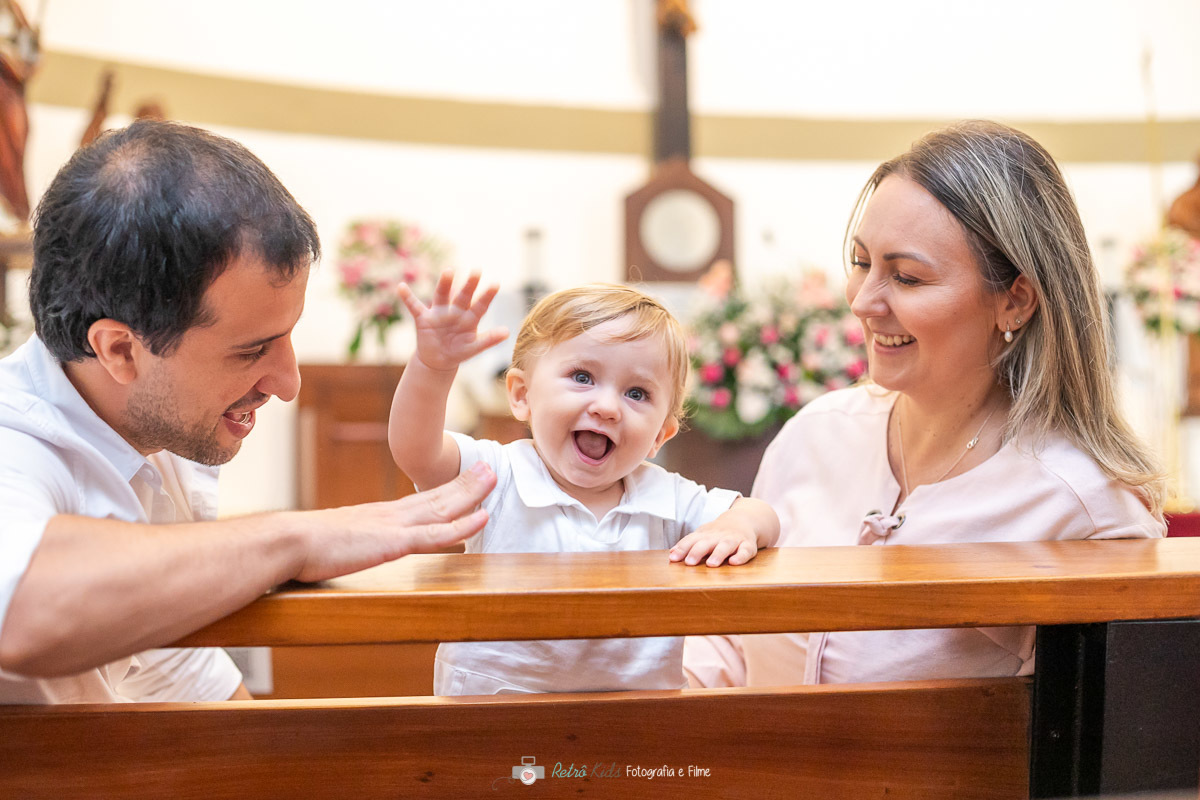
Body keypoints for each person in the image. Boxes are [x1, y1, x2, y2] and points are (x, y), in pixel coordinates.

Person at [0, 120, 497, 703]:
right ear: (118, 349)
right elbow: (23, 607)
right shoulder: (14, 438)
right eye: (251, 350)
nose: (289, 385)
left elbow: (186, 685)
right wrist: (297, 537)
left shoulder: (153, 441)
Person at [684, 120, 1166, 688]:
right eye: (862, 262)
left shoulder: (1083, 507)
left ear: (1014, 301)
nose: (864, 302)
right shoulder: (817, 433)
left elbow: (1090, 751)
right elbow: (723, 644)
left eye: (907, 278)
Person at [388, 274, 779, 695]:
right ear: (521, 395)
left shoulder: (666, 497)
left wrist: (738, 526)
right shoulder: (499, 475)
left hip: (633, 723)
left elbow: (763, 515)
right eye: (582, 377)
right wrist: (432, 368)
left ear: (659, 436)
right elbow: (418, 452)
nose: (607, 407)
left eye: (636, 392)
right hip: (495, 715)